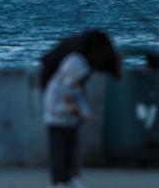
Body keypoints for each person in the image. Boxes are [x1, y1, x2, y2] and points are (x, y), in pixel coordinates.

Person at [41, 30, 120, 188]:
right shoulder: (70, 72)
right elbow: (67, 95)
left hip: (68, 117)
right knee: (60, 150)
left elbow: (75, 94)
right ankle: (60, 180)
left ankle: (71, 177)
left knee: (72, 149)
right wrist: (78, 111)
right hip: (56, 117)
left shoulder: (78, 64)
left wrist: (82, 112)